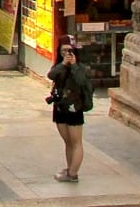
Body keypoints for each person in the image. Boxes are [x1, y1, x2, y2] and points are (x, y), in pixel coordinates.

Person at [47, 40, 93, 182]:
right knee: (68, 141)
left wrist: (73, 65)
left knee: (76, 142)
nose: (66, 53)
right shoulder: (59, 66)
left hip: (74, 107)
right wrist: (63, 64)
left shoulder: (80, 67)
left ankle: (73, 173)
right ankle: (70, 168)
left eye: (69, 50)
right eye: (63, 51)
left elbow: (80, 81)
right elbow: (51, 75)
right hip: (60, 106)